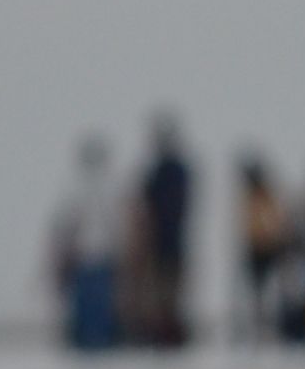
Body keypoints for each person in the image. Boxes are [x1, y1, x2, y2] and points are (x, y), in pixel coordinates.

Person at [48, 135, 125, 352]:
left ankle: (102, 343)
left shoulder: (111, 188)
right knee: (84, 309)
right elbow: (65, 228)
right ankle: (84, 345)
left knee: (103, 308)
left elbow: (116, 226)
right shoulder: (73, 189)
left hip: (104, 259)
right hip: (82, 260)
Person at [138, 112, 195, 349]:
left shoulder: (176, 171)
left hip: (170, 242)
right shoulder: (160, 171)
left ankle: (170, 336)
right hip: (159, 243)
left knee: (170, 294)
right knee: (160, 294)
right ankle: (162, 336)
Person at [235, 152, 298, 347]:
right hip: (255, 248)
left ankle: (279, 328)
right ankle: (259, 329)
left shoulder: (267, 195)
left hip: (270, 248)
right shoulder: (249, 197)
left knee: (276, 291)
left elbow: (276, 222)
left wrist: (280, 240)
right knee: (257, 293)